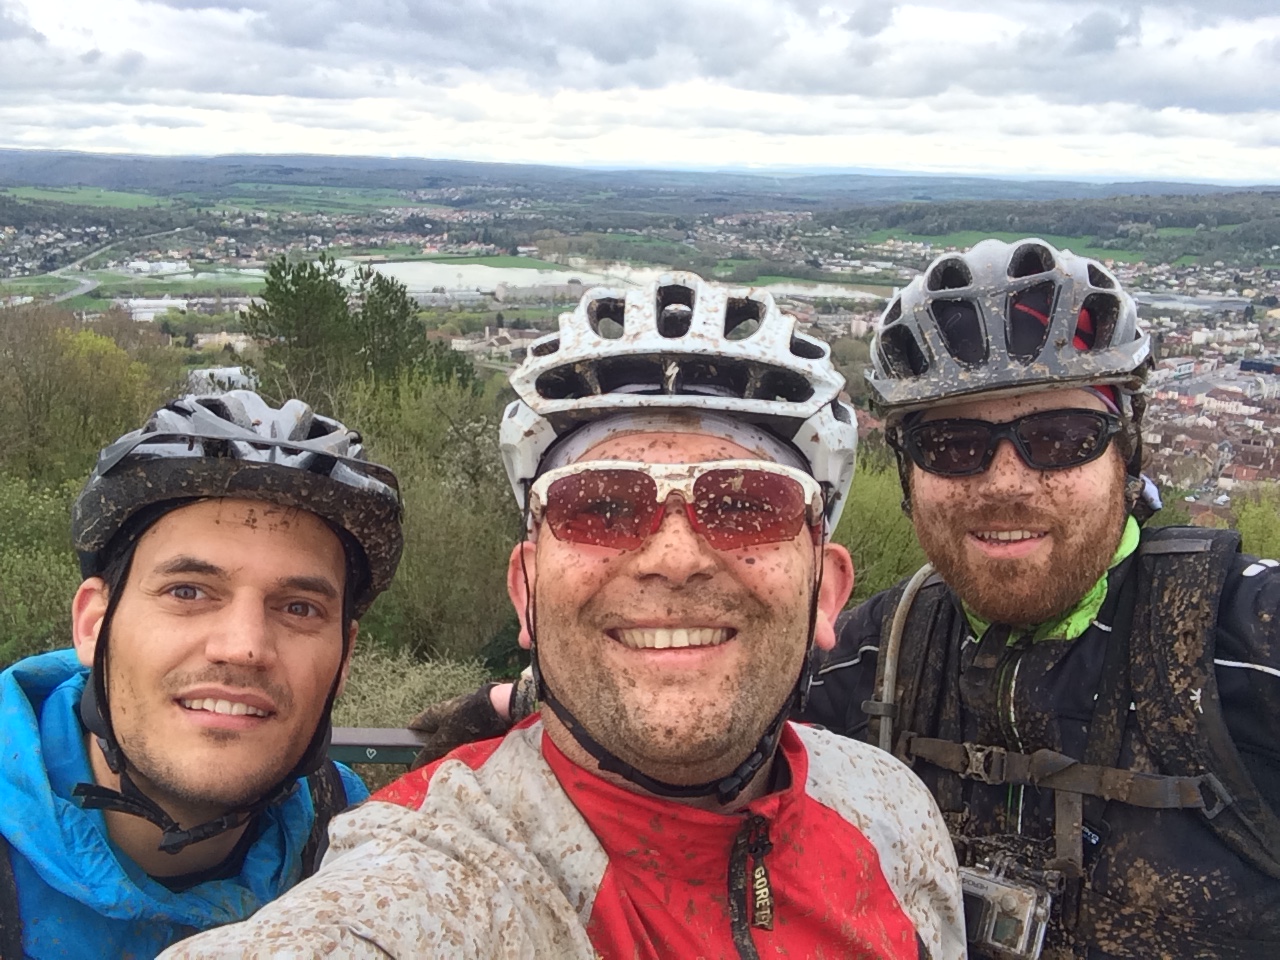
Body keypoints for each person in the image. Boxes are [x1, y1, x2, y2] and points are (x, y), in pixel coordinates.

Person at [162, 275, 965, 959]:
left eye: (747, 505)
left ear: (826, 591)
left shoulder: (893, 814)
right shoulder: (432, 892)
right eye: (601, 508)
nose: (674, 557)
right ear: (527, 592)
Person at [801, 237, 1280, 958]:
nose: (1006, 483)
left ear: (1127, 452)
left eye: (1060, 438)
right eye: (953, 444)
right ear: (907, 474)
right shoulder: (860, 665)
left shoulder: (1251, 642)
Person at [0, 390, 403, 959]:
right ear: (93, 625)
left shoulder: (350, 843)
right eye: (187, 592)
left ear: (344, 658)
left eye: (299, 608)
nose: (243, 647)